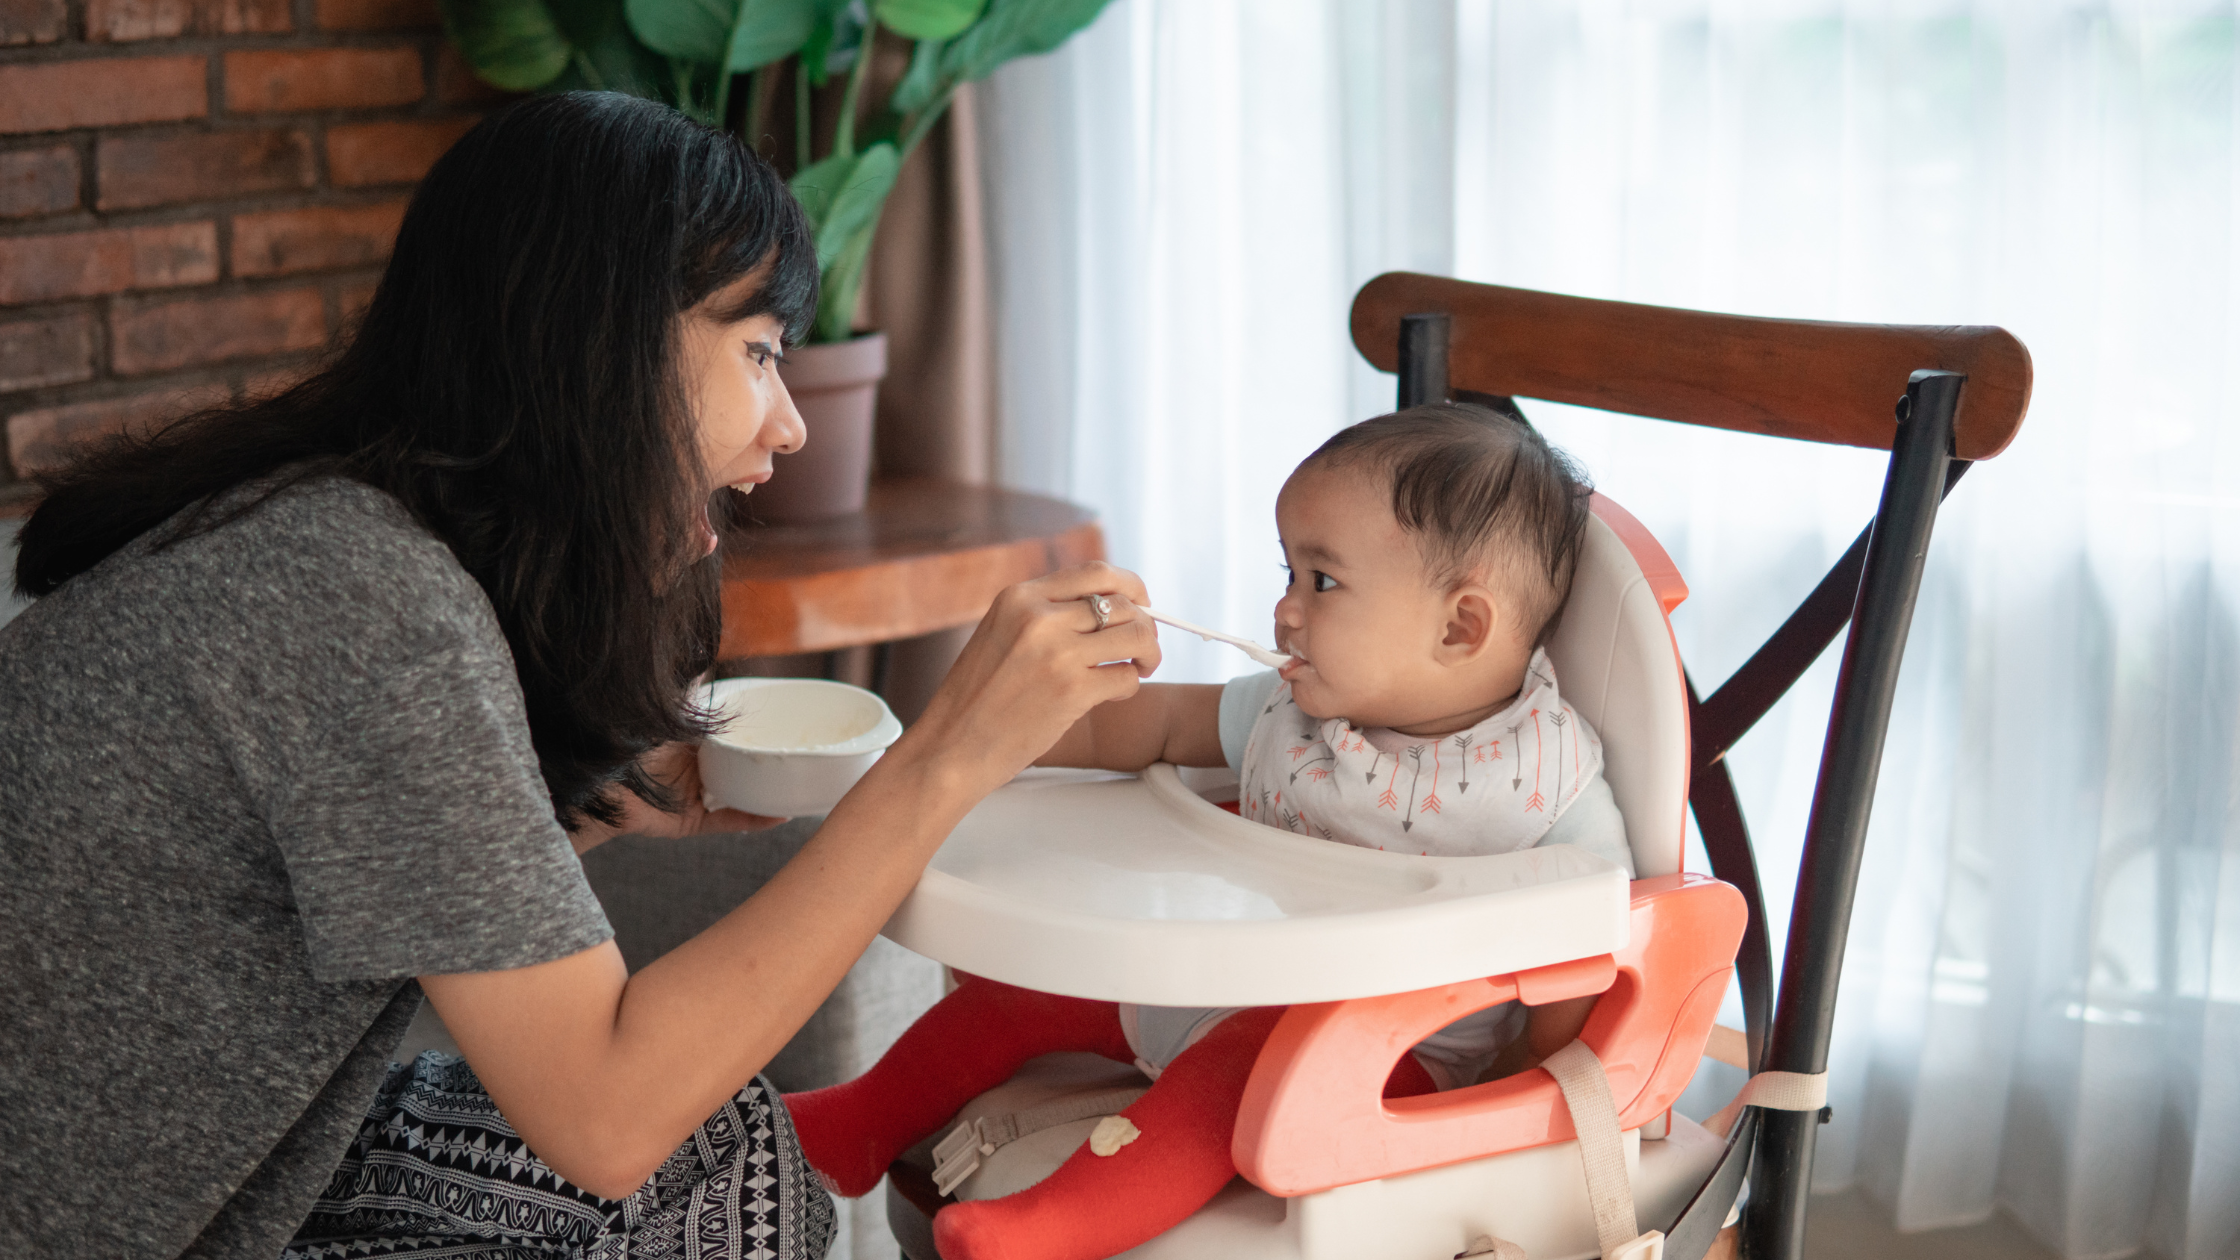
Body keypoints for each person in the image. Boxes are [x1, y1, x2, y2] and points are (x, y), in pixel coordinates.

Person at [0, 93, 1161, 1260]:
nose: (790, 428)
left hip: (224, 1174)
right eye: (757, 352)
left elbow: (320, 898)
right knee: (704, 1189)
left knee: (735, 1157)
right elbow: (605, 1117)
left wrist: (596, 796)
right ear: (600, 345)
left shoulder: (325, 536)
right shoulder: (358, 603)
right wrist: (943, 755)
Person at [784, 404, 1639, 1260]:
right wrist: (982, 738)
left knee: (1225, 1087)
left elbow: (1585, 939)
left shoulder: (1539, 782)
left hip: (1379, 1049)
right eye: (1290, 573)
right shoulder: (1299, 715)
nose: (1285, 611)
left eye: (1322, 582)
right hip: (1221, 971)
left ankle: (1051, 1227)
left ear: (1460, 627)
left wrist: (1525, 1068)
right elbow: (1148, 728)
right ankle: (867, 1116)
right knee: (1024, 996)